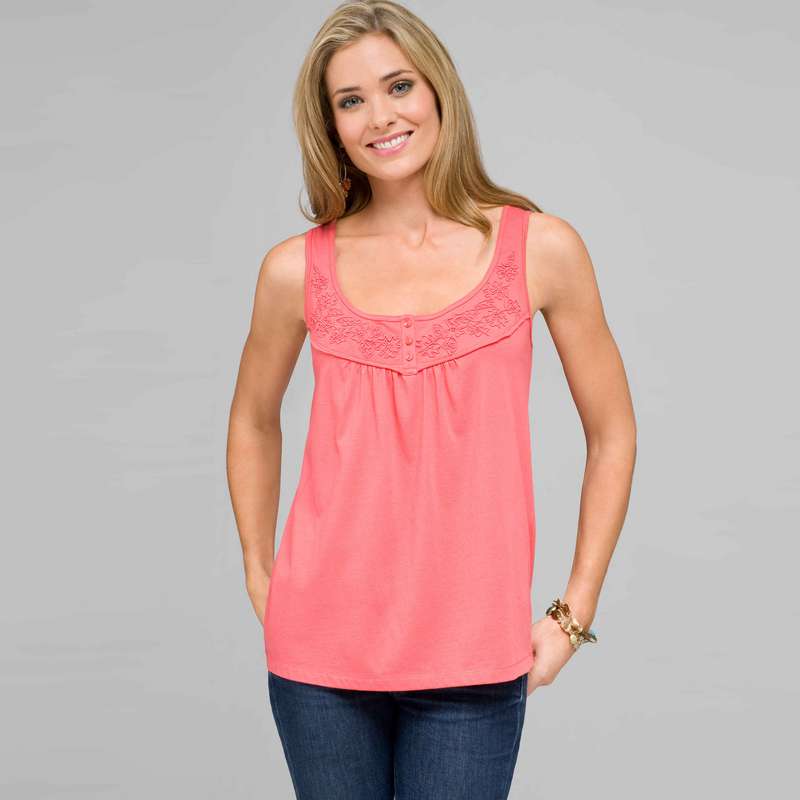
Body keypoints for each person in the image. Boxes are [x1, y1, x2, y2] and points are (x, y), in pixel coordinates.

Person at [226, 1, 636, 797]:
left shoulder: (540, 249)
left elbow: (612, 431)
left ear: (438, 89)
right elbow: (251, 419)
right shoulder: (293, 270)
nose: (380, 116)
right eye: (351, 100)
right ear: (330, 126)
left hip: (473, 656)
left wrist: (574, 611)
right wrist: (259, 571)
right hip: (318, 656)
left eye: (398, 86)